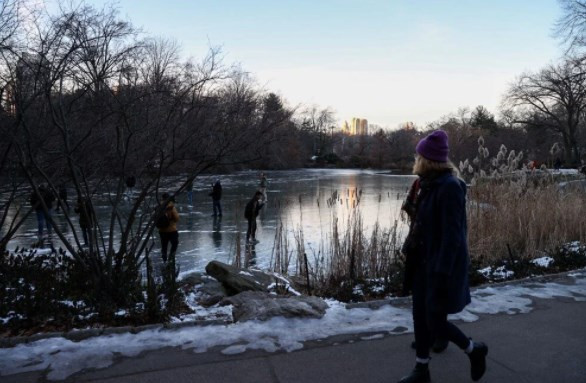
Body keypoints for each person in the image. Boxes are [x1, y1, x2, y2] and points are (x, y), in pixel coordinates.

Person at [397, 130, 488, 383]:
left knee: (435, 320)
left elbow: (453, 236)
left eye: (419, 155)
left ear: (427, 158)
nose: (415, 158)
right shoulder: (426, 183)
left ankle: (474, 349)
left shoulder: (449, 187)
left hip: (437, 265)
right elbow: (421, 223)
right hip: (421, 260)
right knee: (419, 314)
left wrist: (441, 272)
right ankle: (421, 369)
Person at [157, 193, 179, 262]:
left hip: (162, 230)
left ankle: (164, 259)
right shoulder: (171, 207)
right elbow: (176, 218)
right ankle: (171, 258)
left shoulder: (158, 207)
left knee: (164, 246)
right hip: (171, 230)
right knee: (175, 243)